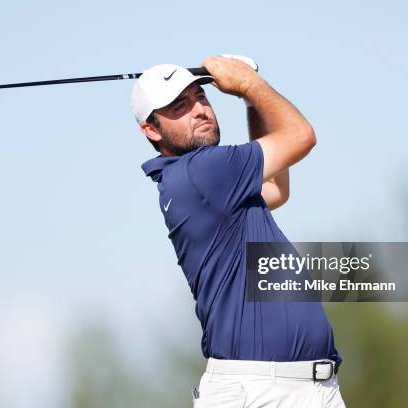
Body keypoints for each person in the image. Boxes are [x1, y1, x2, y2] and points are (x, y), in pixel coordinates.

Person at [132, 55, 346, 407]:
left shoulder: (208, 181)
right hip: (256, 391)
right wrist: (248, 83)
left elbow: (276, 189)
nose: (199, 109)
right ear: (152, 130)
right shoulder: (202, 171)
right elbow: (301, 136)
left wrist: (250, 100)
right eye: (179, 106)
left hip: (308, 389)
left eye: (200, 97)